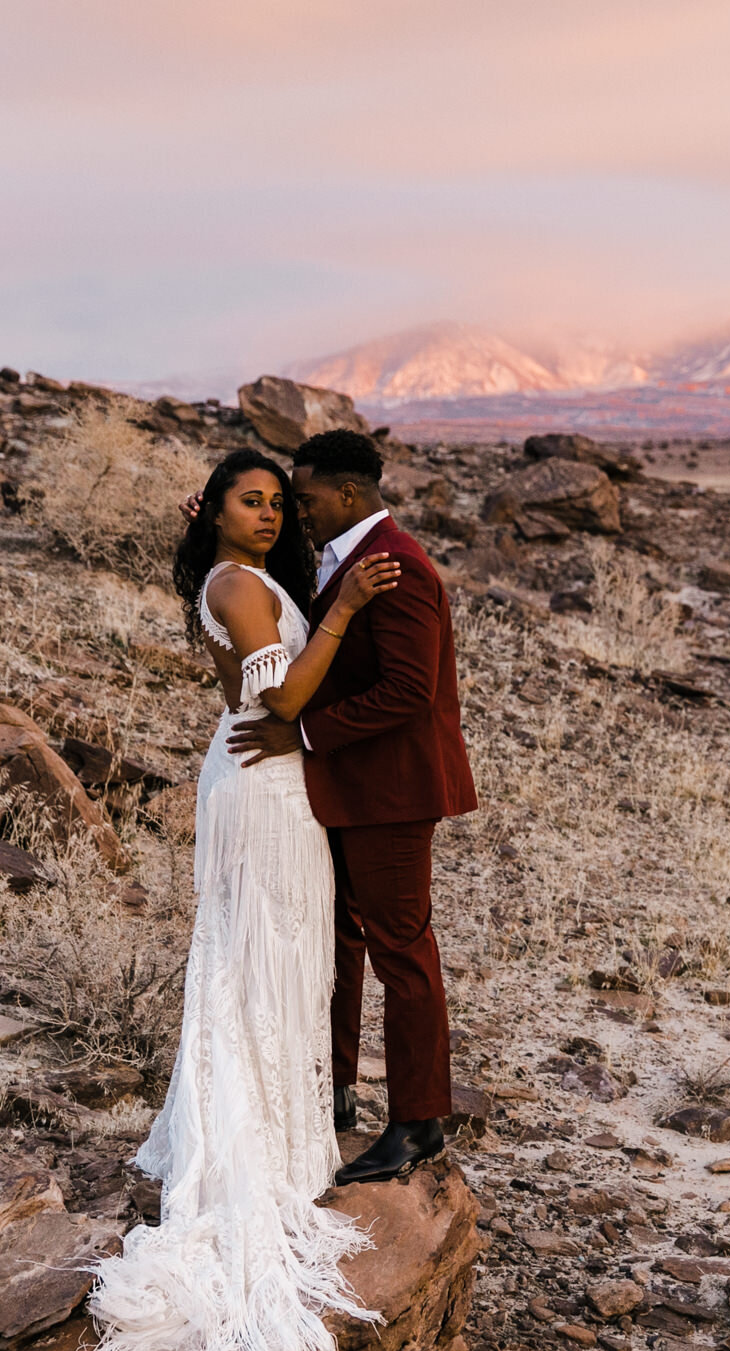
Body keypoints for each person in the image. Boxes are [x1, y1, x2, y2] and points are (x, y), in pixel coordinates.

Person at [85, 448, 402, 1351]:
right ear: (218, 513)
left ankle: (280, 1132)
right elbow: (283, 700)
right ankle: (256, 1148)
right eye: (250, 501)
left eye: (277, 502)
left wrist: (232, 530)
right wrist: (345, 613)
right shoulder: (238, 585)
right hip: (263, 789)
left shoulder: (247, 572)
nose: (269, 514)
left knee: (271, 960)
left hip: (264, 783)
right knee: (266, 958)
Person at [223, 428, 480, 1186]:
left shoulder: (397, 562)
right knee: (340, 940)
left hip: (393, 793)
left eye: (302, 499)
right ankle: (334, 1090)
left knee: (404, 949)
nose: (296, 513)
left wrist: (299, 733)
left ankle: (418, 1121)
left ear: (346, 493)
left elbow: (408, 690)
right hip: (348, 788)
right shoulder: (347, 557)